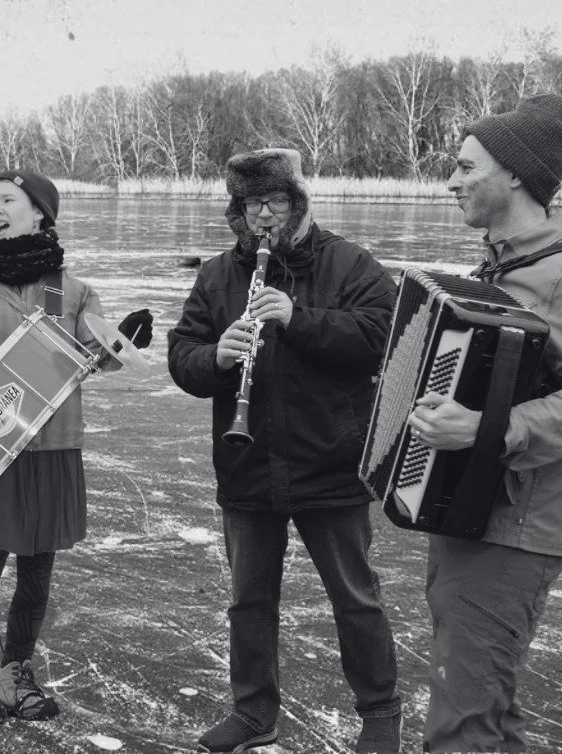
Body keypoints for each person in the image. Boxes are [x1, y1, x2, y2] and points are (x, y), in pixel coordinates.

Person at [406, 94, 562, 753]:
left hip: (514, 530)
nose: (450, 180)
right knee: (487, 714)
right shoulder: (505, 264)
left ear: (512, 173)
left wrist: (480, 427)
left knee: (461, 727)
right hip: (475, 513)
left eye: (464, 166)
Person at [167, 148, 403, 754]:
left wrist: (299, 319)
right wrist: (215, 358)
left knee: (355, 598)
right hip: (247, 466)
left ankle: (379, 714)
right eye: (251, 205)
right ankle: (252, 714)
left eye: (273, 203)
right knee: (249, 601)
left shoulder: (350, 263)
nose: (261, 218)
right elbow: (183, 354)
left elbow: (380, 339)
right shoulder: (219, 274)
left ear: (297, 204)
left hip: (331, 463)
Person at [0, 170, 153, 731]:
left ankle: (15, 669)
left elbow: (92, 360)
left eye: (7, 200)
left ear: (40, 214)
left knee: (37, 569)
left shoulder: (71, 291)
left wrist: (124, 340)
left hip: (52, 444)